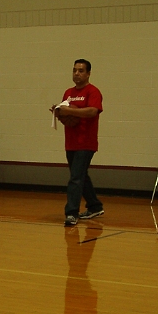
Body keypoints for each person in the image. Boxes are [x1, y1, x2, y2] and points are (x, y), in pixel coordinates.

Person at [51, 59, 104, 226]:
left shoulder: (93, 91)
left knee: (75, 178)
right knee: (80, 176)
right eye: (74, 70)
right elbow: (67, 117)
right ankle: (95, 206)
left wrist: (70, 111)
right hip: (71, 142)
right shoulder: (68, 93)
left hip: (86, 143)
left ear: (88, 73)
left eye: (81, 71)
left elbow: (92, 111)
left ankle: (71, 213)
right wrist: (60, 113)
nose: (77, 73)